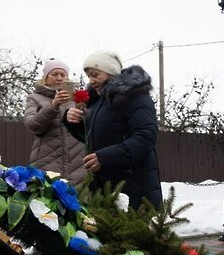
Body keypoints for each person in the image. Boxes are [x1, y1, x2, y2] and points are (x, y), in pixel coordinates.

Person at [64, 51, 162, 210]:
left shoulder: (135, 96)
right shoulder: (98, 102)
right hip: (106, 188)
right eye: (89, 76)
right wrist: (72, 122)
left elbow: (145, 138)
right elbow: (97, 138)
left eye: (95, 74)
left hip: (134, 189)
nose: (91, 81)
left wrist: (104, 157)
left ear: (110, 71)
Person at [23, 59, 86, 184]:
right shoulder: (34, 98)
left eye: (63, 75)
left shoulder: (78, 99)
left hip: (78, 165)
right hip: (46, 163)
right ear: (46, 78)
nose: (59, 78)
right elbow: (32, 125)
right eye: (54, 74)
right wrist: (53, 105)